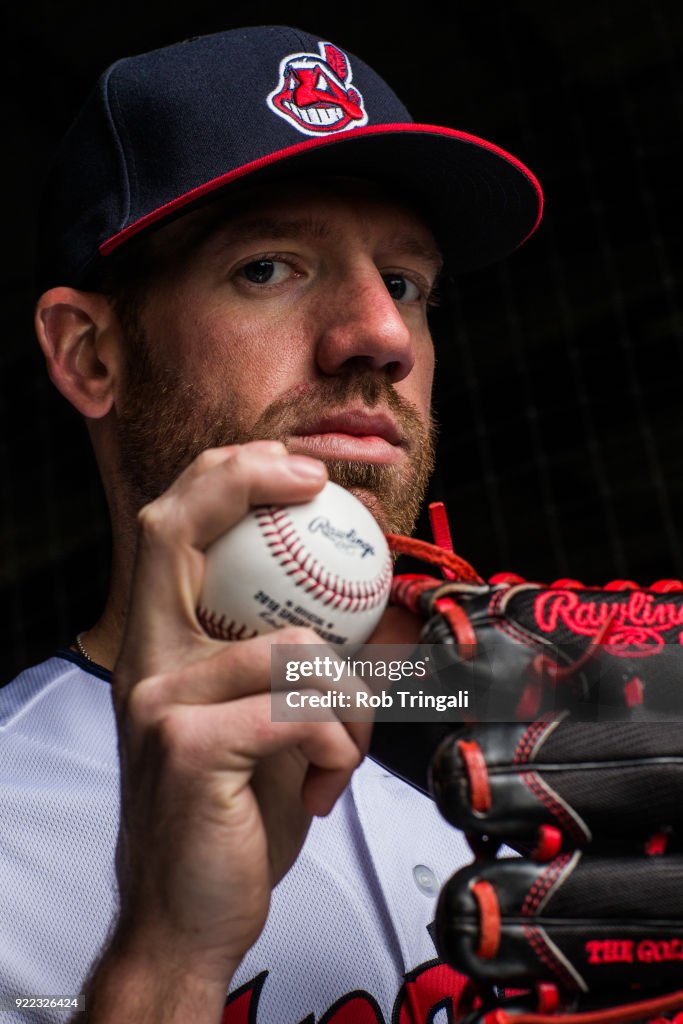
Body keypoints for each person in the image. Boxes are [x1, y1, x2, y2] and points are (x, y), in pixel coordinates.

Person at [1, 25, 542, 1023]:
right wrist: (165, 958)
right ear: (89, 355)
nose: (379, 336)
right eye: (267, 267)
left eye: (404, 283)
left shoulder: (553, 758)